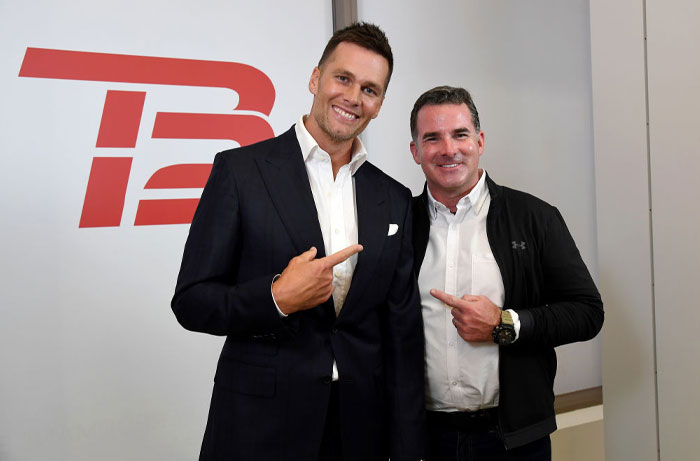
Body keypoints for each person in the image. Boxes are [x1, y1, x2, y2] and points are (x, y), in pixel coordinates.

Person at [171, 23, 425, 461]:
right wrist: (276, 297)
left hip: (358, 433)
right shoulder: (241, 172)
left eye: (369, 89)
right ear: (315, 79)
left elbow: (401, 337)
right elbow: (192, 300)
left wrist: (408, 448)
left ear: (380, 104)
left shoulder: (395, 199)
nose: (352, 97)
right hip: (258, 428)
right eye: (342, 78)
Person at [409, 86, 604, 461]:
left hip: (513, 440)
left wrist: (505, 323)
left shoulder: (535, 217)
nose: (448, 149)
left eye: (460, 134)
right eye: (432, 138)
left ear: (479, 141)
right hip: (425, 439)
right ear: (416, 151)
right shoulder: (399, 224)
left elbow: (587, 312)